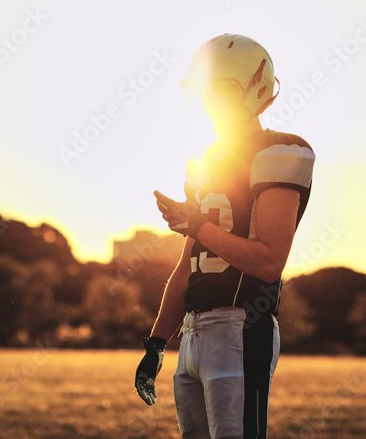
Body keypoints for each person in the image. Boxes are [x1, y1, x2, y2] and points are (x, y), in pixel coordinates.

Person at [134, 33, 315, 439]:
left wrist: (198, 225)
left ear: (257, 89)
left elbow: (268, 262)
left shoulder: (280, 151)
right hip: (193, 334)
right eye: (203, 92)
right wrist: (157, 342)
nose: (209, 102)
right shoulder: (201, 160)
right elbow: (187, 266)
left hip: (241, 326)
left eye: (219, 91)